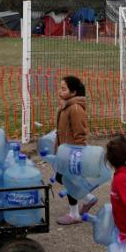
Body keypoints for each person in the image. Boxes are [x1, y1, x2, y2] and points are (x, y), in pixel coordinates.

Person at [54, 75, 97, 225]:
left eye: (63, 88)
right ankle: (88, 199)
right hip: (65, 153)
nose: (60, 91)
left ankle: (75, 214)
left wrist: (77, 154)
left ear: (73, 92)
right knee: (62, 178)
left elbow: (80, 134)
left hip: (72, 154)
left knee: (68, 180)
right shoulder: (67, 107)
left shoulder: (76, 109)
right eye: (60, 88)